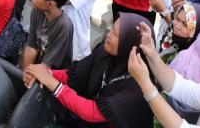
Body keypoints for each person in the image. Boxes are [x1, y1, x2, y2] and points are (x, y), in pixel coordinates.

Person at [24, 13, 155, 127]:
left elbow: (92, 112)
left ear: (130, 45)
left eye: (115, 34)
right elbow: (73, 74)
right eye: (111, 29)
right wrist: (46, 73)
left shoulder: (137, 86)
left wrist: (51, 82)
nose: (108, 35)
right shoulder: (104, 52)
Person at [21, 0, 74, 71]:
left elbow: (46, 66)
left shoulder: (64, 26)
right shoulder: (37, 9)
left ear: (50, 3)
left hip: (53, 73)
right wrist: (23, 75)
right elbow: (31, 47)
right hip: (39, 63)